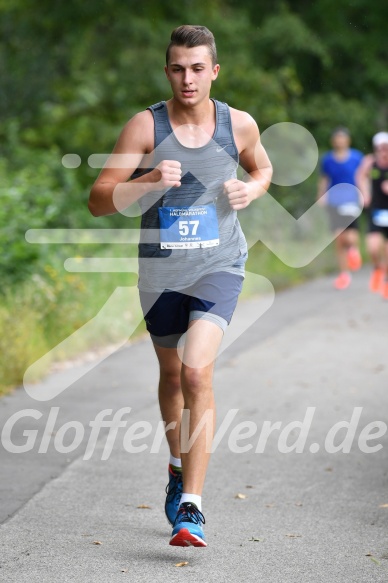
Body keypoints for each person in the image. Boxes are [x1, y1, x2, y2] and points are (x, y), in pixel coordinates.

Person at [88, 25, 272, 547]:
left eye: (197, 68)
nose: (187, 79)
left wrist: (251, 188)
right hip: (161, 272)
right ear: (166, 71)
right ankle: (175, 466)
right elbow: (99, 201)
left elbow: (263, 167)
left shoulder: (237, 124)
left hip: (220, 265)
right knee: (171, 377)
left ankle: (191, 506)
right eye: (177, 68)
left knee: (196, 373)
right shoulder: (144, 127)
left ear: (214, 70)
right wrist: (146, 181)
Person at [317, 127, 363, 290]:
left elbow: (362, 177)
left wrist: (365, 194)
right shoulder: (328, 160)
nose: (339, 141)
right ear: (333, 141)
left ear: (347, 140)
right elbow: (324, 179)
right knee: (338, 238)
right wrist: (321, 195)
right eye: (337, 138)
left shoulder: (357, 157)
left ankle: (353, 249)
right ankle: (344, 274)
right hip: (334, 202)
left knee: (350, 237)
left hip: (352, 200)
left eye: (342, 138)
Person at [356, 131, 388, 299]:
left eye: (386, 148)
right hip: (376, 211)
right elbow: (360, 177)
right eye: (380, 148)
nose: (383, 152)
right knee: (373, 248)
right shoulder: (370, 163)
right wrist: (365, 193)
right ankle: (377, 269)